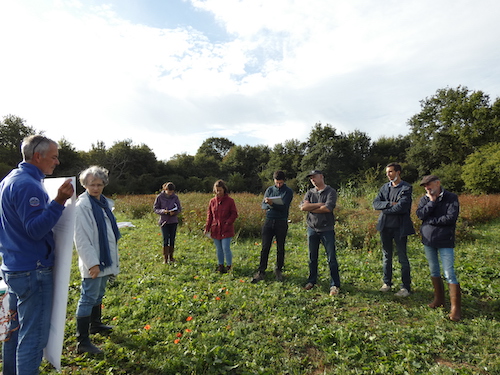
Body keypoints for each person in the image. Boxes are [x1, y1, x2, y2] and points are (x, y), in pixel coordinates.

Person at [0, 135, 74, 375]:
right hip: (33, 270)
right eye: (54, 157)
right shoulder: (28, 185)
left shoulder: (9, 180)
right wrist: (59, 201)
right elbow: (35, 230)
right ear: (38, 156)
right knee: (32, 337)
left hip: (14, 266)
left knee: (14, 330)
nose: (57, 162)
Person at [74, 166, 121, 354]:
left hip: (105, 258)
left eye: (99, 184)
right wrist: (92, 263)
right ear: (84, 185)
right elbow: (81, 238)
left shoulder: (103, 204)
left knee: (99, 293)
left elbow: (109, 233)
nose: (96, 188)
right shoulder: (82, 206)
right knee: (87, 297)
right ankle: (82, 341)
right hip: (94, 261)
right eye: (92, 184)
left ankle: (95, 324)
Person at [416, 175, 461, 321]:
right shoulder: (425, 199)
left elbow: (451, 217)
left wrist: (432, 221)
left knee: (449, 273)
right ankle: (439, 300)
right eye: (425, 186)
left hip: (445, 241)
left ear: (437, 183)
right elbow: (420, 215)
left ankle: (455, 309)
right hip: (428, 240)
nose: (427, 188)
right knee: (434, 270)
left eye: (429, 185)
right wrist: (432, 202)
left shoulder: (451, 197)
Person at [373, 162, 415, 297]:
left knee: (402, 257)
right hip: (385, 227)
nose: (388, 175)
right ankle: (387, 283)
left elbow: (402, 207)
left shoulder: (406, 188)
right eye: (387, 173)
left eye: (391, 172)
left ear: (398, 172)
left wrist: (385, 209)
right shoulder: (384, 188)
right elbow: (375, 204)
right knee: (386, 256)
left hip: (400, 228)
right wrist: (390, 204)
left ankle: (405, 287)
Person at [300, 170, 340, 296]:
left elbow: (328, 208)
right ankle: (311, 280)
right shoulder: (310, 192)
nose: (312, 180)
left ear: (321, 177)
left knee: (331, 258)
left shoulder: (331, 192)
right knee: (312, 257)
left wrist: (310, 207)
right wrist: (318, 205)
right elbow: (302, 208)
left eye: (314, 177)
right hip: (312, 228)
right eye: (311, 178)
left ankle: (335, 285)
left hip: (326, 229)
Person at [251, 170, 294, 283]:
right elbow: (263, 205)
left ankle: (279, 269)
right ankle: (261, 271)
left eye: (280, 183)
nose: (278, 185)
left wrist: (272, 204)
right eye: (277, 182)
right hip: (269, 221)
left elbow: (284, 207)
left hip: (281, 221)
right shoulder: (270, 190)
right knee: (265, 247)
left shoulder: (288, 191)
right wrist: (269, 204)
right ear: (274, 180)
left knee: (280, 247)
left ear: (284, 181)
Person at [204, 180, 238, 273]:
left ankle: (229, 266)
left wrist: (228, 223)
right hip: (216, 228)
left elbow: (234, 214)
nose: (218, 192)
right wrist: (207, 228)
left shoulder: (230, 201)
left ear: (224, 190)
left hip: (227, 228)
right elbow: (210, 216)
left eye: (220, 190)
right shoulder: (212, 201)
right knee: (219, 248)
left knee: (226, 247)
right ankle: (220, 265)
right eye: (216, 190)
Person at [154, 182, 182, 263]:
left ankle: (171, 257)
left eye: (171, 192)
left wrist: (175, 212)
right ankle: (165, 259)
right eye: (169, 192)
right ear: (165, 189)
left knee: (172, 239)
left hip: (173, 221)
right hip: (164, 221)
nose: (170, 193)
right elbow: (156, 209)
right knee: (165, 239)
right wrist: (164, 211)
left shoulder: (175, 197)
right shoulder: (159, 197)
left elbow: (179, 208)